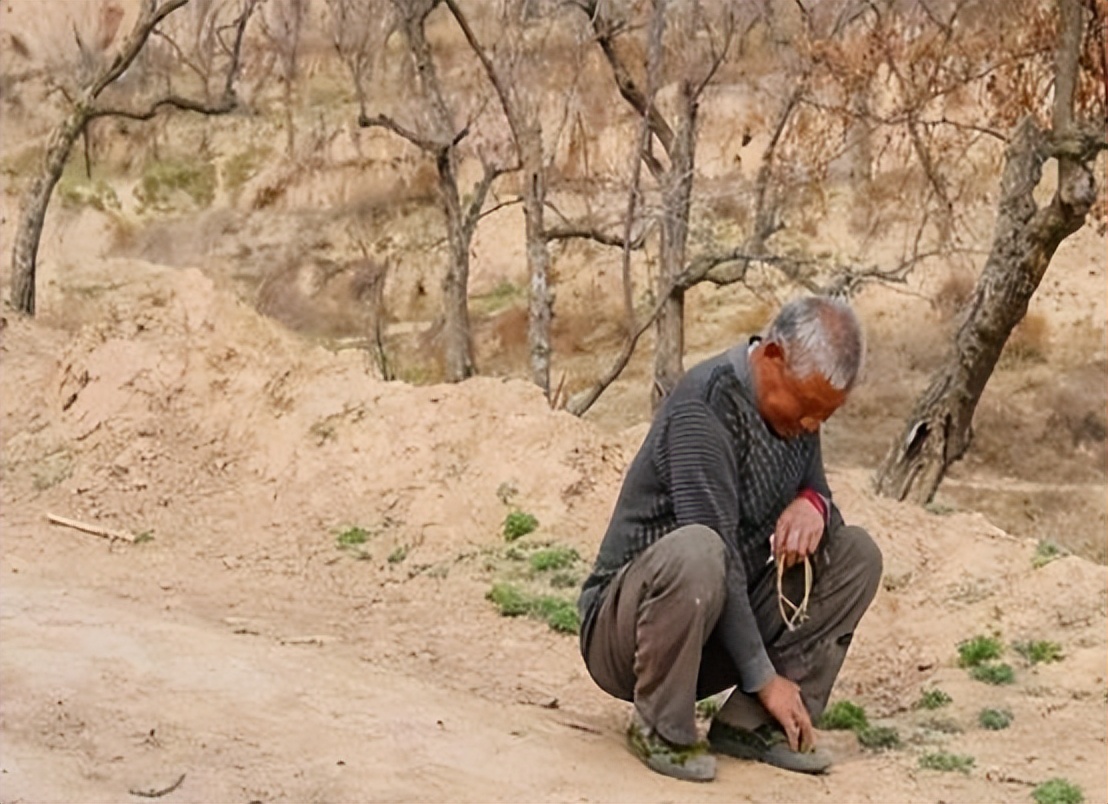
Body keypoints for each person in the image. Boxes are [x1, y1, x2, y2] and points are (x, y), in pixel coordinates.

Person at [576, 295, 882, 782]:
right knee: (702, 548)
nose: (811, 425)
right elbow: (716, 550)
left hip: (710, 627)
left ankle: (751, 727)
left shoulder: (798, 416)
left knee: (856, 556)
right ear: (774, 357)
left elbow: (820, 493)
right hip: (629, 639)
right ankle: (661, 727)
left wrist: (813, 504)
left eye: (824, 416)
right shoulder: (705, 406)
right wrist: (764, 678)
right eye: (807, 407)